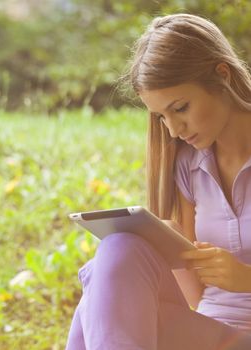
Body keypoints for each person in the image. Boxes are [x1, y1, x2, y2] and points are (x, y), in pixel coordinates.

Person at [65, 13, 251, 350]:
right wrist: (173, 246)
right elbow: (194, 296)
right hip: (210, 331)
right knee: (119, 248)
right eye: (162, 116)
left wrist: (246, 279)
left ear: (222, 74)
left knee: (95, 302)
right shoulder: (188, 165)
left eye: (180, 107)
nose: (173, 129)